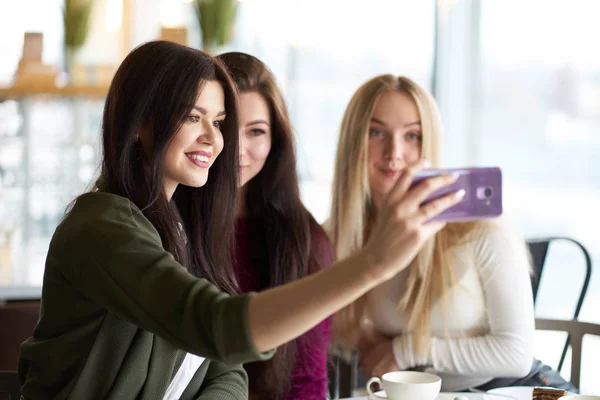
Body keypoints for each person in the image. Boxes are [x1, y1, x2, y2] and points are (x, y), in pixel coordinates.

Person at [17, 42, 463, 399]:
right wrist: (372, 264)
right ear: (140, 124)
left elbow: (227, 372)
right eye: (193, 116)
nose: (215, 139)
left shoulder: (177, 229)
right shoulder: (103, 225)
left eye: (219, 121)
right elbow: (216, 327)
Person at [328, 74, 577, 393]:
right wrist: (363, 338)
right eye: (376, 132)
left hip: (514, 389)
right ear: (353, 142)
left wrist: (406, 349)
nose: (395, 152)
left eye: (413, 136)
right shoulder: (338, 237)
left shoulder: (481, 229)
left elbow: (515, 354)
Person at [216, 51, 333, 400]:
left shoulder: (304, 238)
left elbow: (307, 382)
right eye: (224, 125)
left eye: (256, 131)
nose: (238, 150)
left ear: (275, 141)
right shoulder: (166, 229)